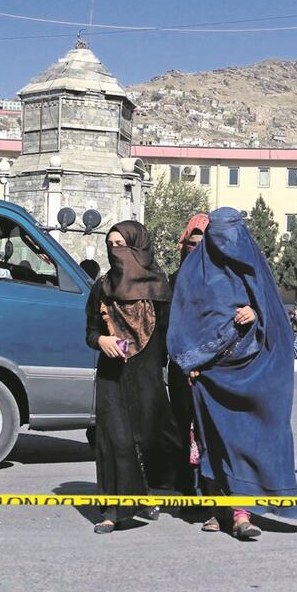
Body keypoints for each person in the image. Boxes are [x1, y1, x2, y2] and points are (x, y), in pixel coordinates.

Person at [167, 207, 297, 540]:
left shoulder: (254, 268)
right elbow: (185, 319)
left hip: (251, 370)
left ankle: (242, 512)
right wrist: (192, 360)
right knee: (213, 443)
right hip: (207, 375)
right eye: (218, 233)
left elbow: (273, 318)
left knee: (246, 442)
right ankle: (219, 509)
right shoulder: (193, 271)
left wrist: (254, 312)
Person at [84, 221, 174, 534]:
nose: (115, 250)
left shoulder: (160, 289)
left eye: (121, 244)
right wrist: (102, 341)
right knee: (116, 441)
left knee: (145, 439)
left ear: (138, 247)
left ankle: (145, 494)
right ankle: (113, 509)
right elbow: (90, 331)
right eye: (111, 244)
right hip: (112, 377)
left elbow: (169, 335)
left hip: (147, 378)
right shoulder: (103, 287)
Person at [161, 212, 211, 497]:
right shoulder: (174, 279)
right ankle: (186, 489)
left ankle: (210, 490)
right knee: (182, 426)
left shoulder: (219, 281)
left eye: (202, 244)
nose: (195, 250)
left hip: (211, 369)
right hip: (181, 369)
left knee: (208, 431)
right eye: (191, 244)